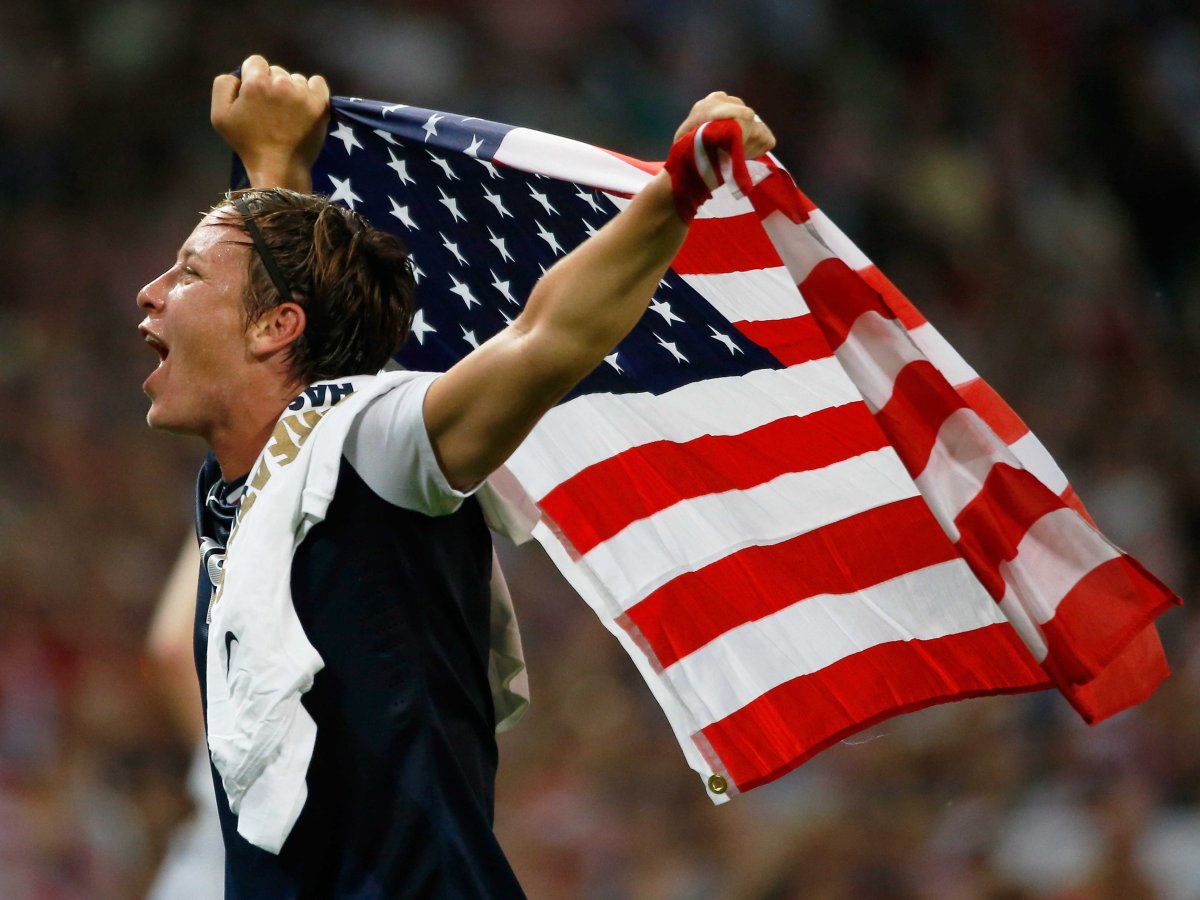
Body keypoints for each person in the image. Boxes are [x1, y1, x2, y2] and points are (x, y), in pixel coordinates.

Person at [137, 53, 774, 898]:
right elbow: (285, 331)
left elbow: (544, 340)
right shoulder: (251, 488)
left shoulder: (372, 440)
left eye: (186, 274)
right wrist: (273, 163)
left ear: (274, 328)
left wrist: (675, 192)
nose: (149, 294)